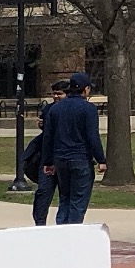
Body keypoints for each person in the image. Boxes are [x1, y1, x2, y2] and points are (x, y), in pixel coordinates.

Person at [38, 72, 105, 225]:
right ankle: (73, 232)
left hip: (60, 159)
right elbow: (92, 136)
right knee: (78, 200)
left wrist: (48, 162)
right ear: (86, 89)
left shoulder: (55, 109)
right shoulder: (88, 109)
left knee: (65, 198)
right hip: (80, 158)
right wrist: (101, 159)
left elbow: (48, 137)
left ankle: (61, 229)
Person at [26, 83, 67, 223]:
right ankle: (40, 222)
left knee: (65, 194)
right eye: (54, 94)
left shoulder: (70, 110)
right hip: (47, 157)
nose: (56, 96)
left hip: (63, 157)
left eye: (59, 94)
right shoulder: (48, 108)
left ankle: (63, 223)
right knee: (43, 192)